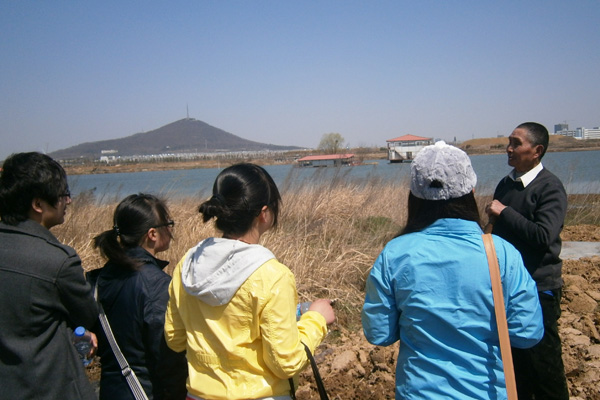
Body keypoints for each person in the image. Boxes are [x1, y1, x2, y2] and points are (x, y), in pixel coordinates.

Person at [362, 141, 544, 399]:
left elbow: (379, 333)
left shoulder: (395, 253)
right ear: (471, 190)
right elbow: (527, 333)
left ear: (414, 195)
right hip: (486, 391)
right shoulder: (502, 254)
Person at [164, 163, 335, 400]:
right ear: (264, 213)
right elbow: (286, 362)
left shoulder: (188, 264)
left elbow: (175, 339)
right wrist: (317, 319)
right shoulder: (272, 275)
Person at [0, 152, 99, 400]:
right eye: (63, 194)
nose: (68, 201)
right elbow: (86, 316)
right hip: (50, 386)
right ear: (38, 205)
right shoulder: (58, 262)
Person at [485, 122, 569, 399]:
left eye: (516, 143)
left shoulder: (549, 187)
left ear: (537, 151)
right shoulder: (506, 184)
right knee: (515, 366)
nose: (509, 149)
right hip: (506, 287)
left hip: (538, 288)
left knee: (544, 366)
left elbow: (543, 236)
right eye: (509, 142)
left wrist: (505, 212)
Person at [88, 193, 188, 400]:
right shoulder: (156, 284)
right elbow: (167, 356)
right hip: (146, 391)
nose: (171, 229)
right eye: (168, 224)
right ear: (152, 234)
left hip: (110, 390)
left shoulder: (100, 278)